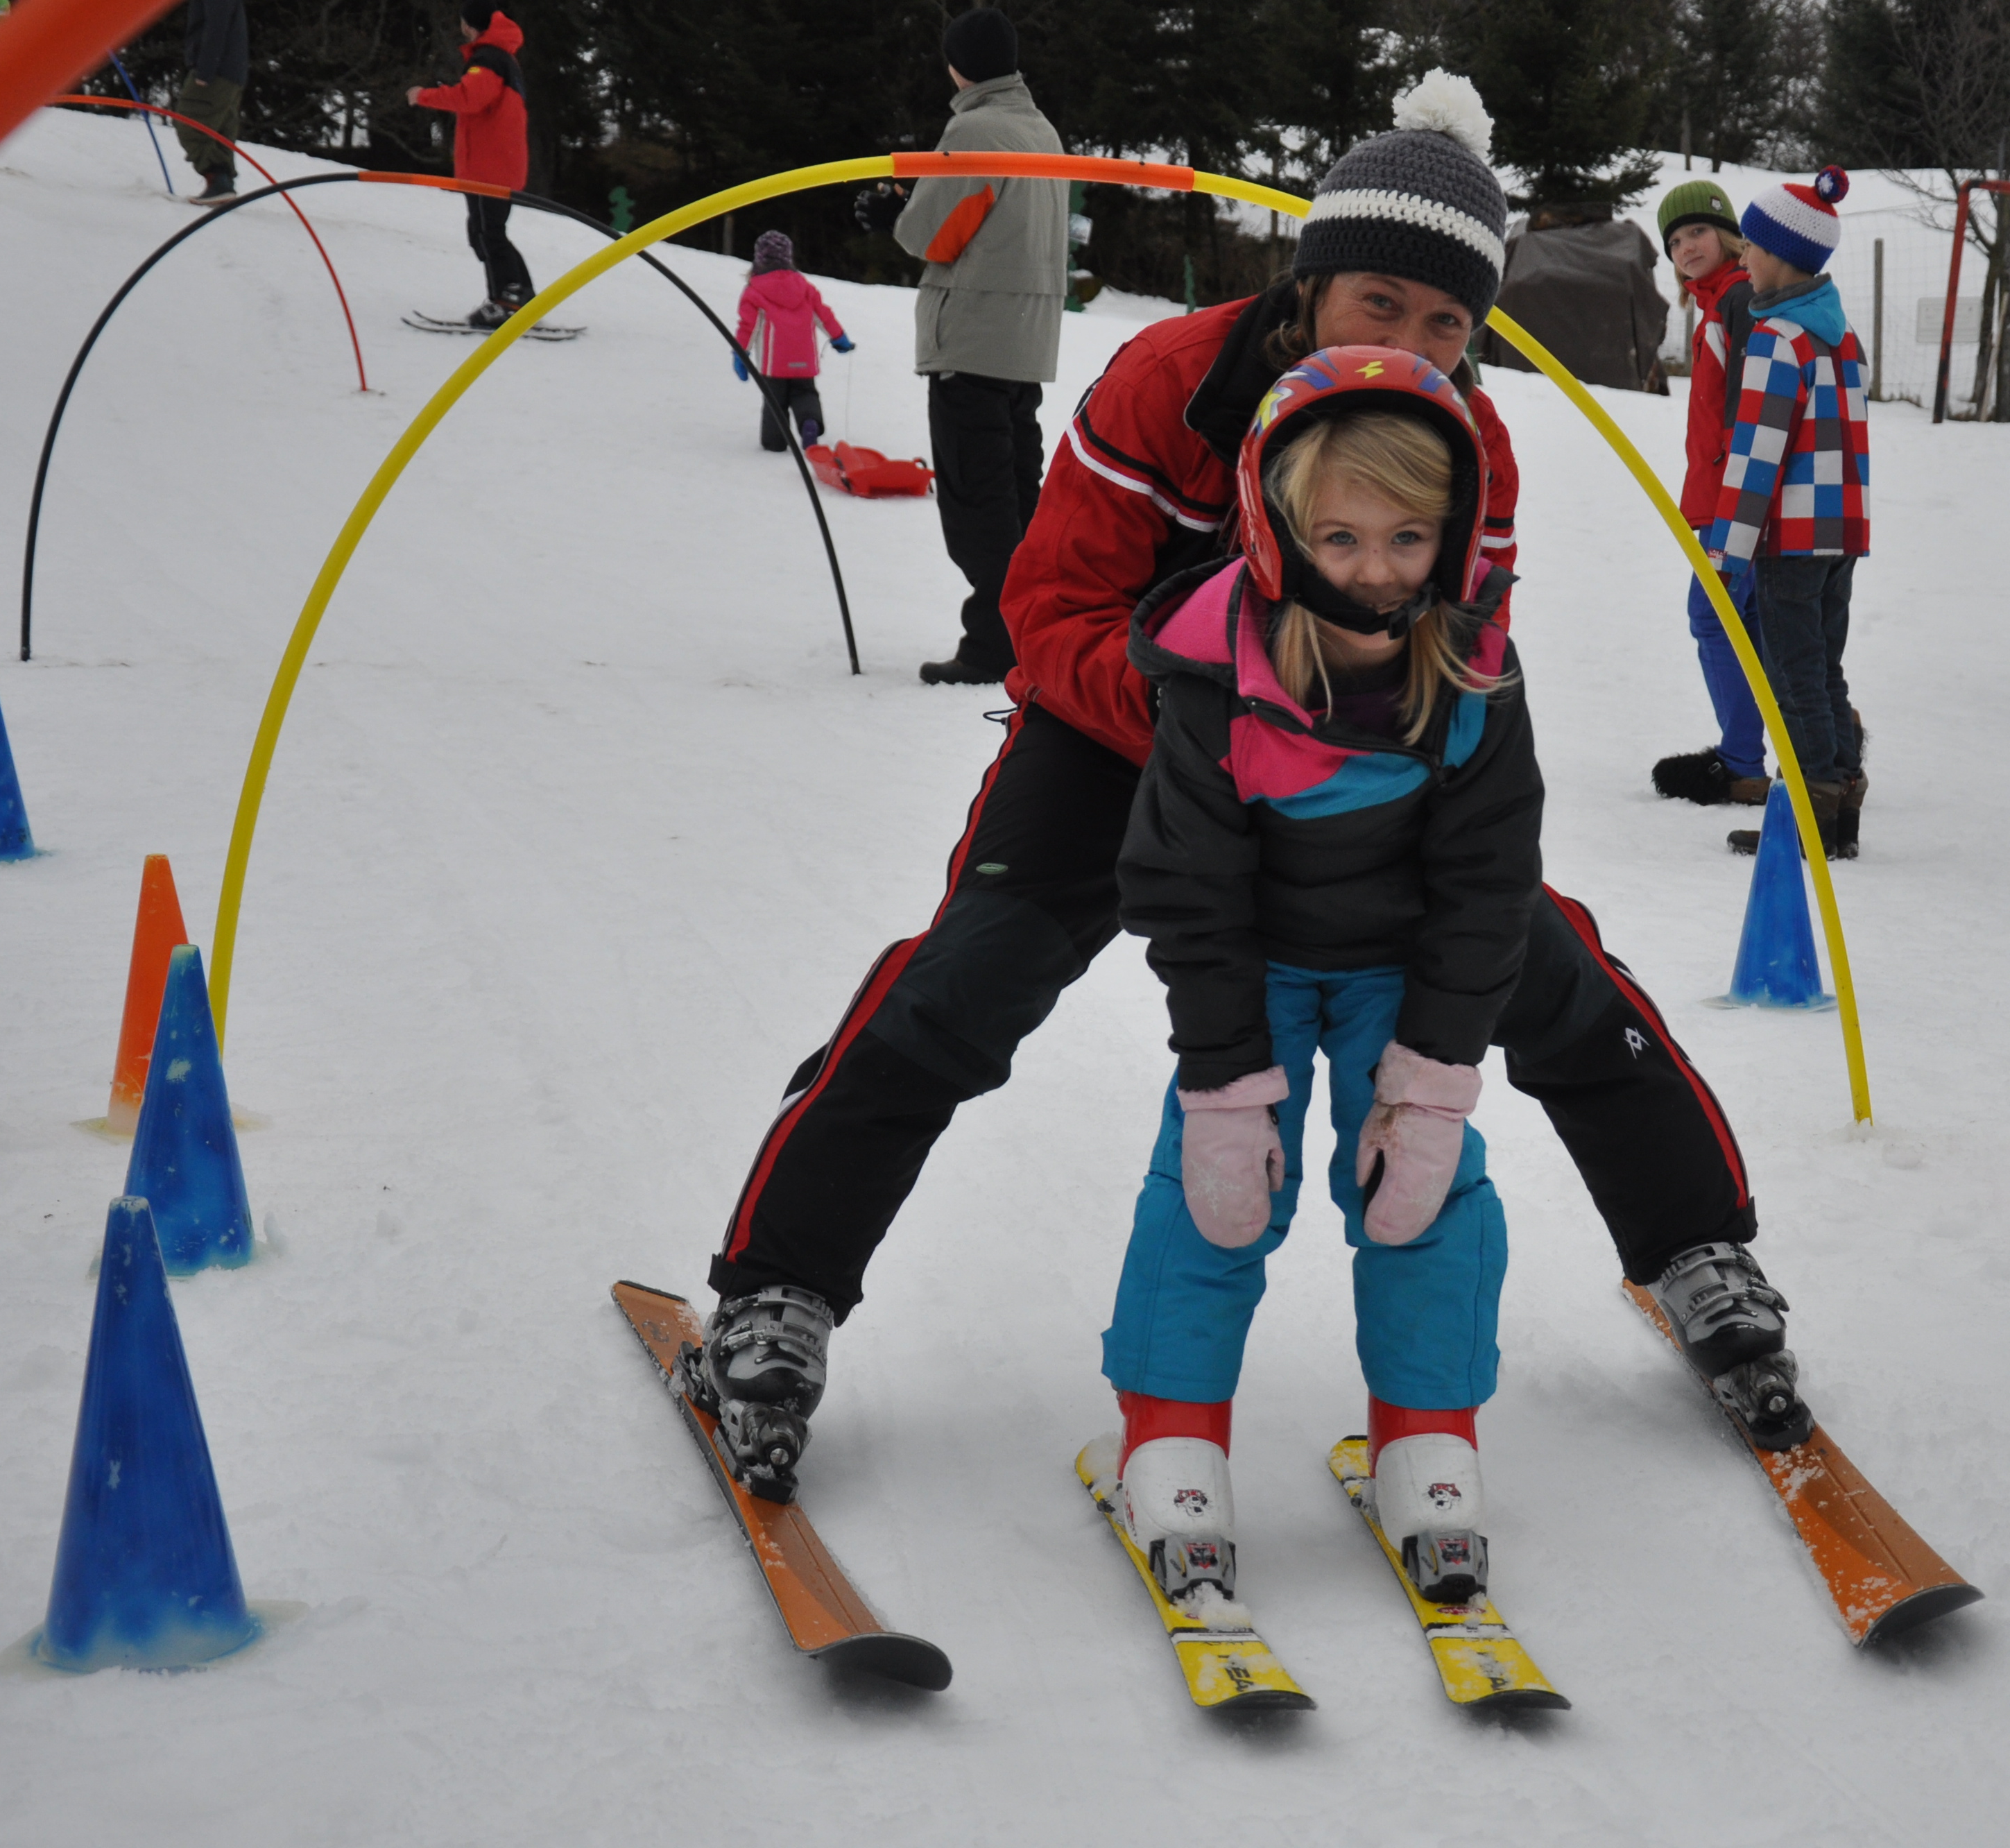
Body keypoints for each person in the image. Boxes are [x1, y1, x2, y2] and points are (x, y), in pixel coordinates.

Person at [683, 74, 1808, 1506]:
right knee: (973, 970)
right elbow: (1049, 609)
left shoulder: (1469, 445)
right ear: (1311, 281)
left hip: (1359, 767)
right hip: (1129, 739)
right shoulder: (1171, 381)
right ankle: (777, 1285)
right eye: (1378, 303)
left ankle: (1698, 1244)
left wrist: (1368, 749)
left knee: (1534, 954)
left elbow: (1466, 655)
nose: (1407, 343)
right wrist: (1204, 721)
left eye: (1445, 323)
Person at [1095, 351, 1538, 1609]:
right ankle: (1172, 1432)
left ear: (1451, 535)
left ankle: (1428, 1435)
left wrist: (1433, 1077)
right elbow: (1188, 885)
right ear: (1277, 529)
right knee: (1216, 1195)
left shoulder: (1470, 673)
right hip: (1258, 970)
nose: (1376, 570)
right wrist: (1228, 1079)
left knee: (1422, 1195)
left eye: (1408, 537)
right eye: (1339, 537)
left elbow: (1487, 883)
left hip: (1402, 975)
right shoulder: (1218, 674)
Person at [894, 8, 1068, 687]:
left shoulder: (974, 129)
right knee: (1018, 497)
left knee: (978, 506)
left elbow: (934, 237)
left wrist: (895, 214)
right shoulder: (1040, 129)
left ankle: (995, 646)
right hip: (1025, 342)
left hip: (971, 340)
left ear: (957, 64)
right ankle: (1038, 634)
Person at [1714, 169, 1871, 859]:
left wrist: (1726, 552)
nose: (1743, 258)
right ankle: (1841, 803)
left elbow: (1756, 457)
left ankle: (1808, 815)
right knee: (1824, 667)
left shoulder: (1777, 339)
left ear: (1780, 254)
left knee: (1790, 674)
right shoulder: (1841, 337)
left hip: (1791, 539)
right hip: (1841, 532)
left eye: (1750, 246)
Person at [1648, 179, 1768, 808]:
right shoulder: (1720, 302)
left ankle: (1742, 762)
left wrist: (1736, 500)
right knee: (1753, 621)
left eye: (1696, 231)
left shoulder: (1738, 299)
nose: (1686, 248)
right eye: (1674, 242)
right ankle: (1829, 736)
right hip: (1728, 495)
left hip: (1739, 499)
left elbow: (1751, 411)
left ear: (1727, 235)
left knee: (1714, 616)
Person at [407, 8, 533, 328]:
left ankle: (507, 301)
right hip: (489, 164)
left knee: (489, 233)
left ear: (469, 25)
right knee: (483, 233)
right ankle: (518, 296)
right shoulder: (500, 57)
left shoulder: (489, 59)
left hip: (491, 167)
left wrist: (424, 96)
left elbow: (469, 98)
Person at [732, 230, 852, 453]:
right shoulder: (804, 286)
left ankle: (775, 442)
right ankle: (809, 423)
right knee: (805, 393)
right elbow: (823, 315)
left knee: (774, 402)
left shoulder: (754, 290)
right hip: (804, 359)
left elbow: (749, 326)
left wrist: (741, 354)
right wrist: (839, 337)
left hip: (774, 363)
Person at [175, 0, 244, 205]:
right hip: (231, 69)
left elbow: (217, 25)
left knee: (190, 123)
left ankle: (218, 179)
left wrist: (206, 69)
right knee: (221, 129)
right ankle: (222, 185)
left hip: (217, 70)